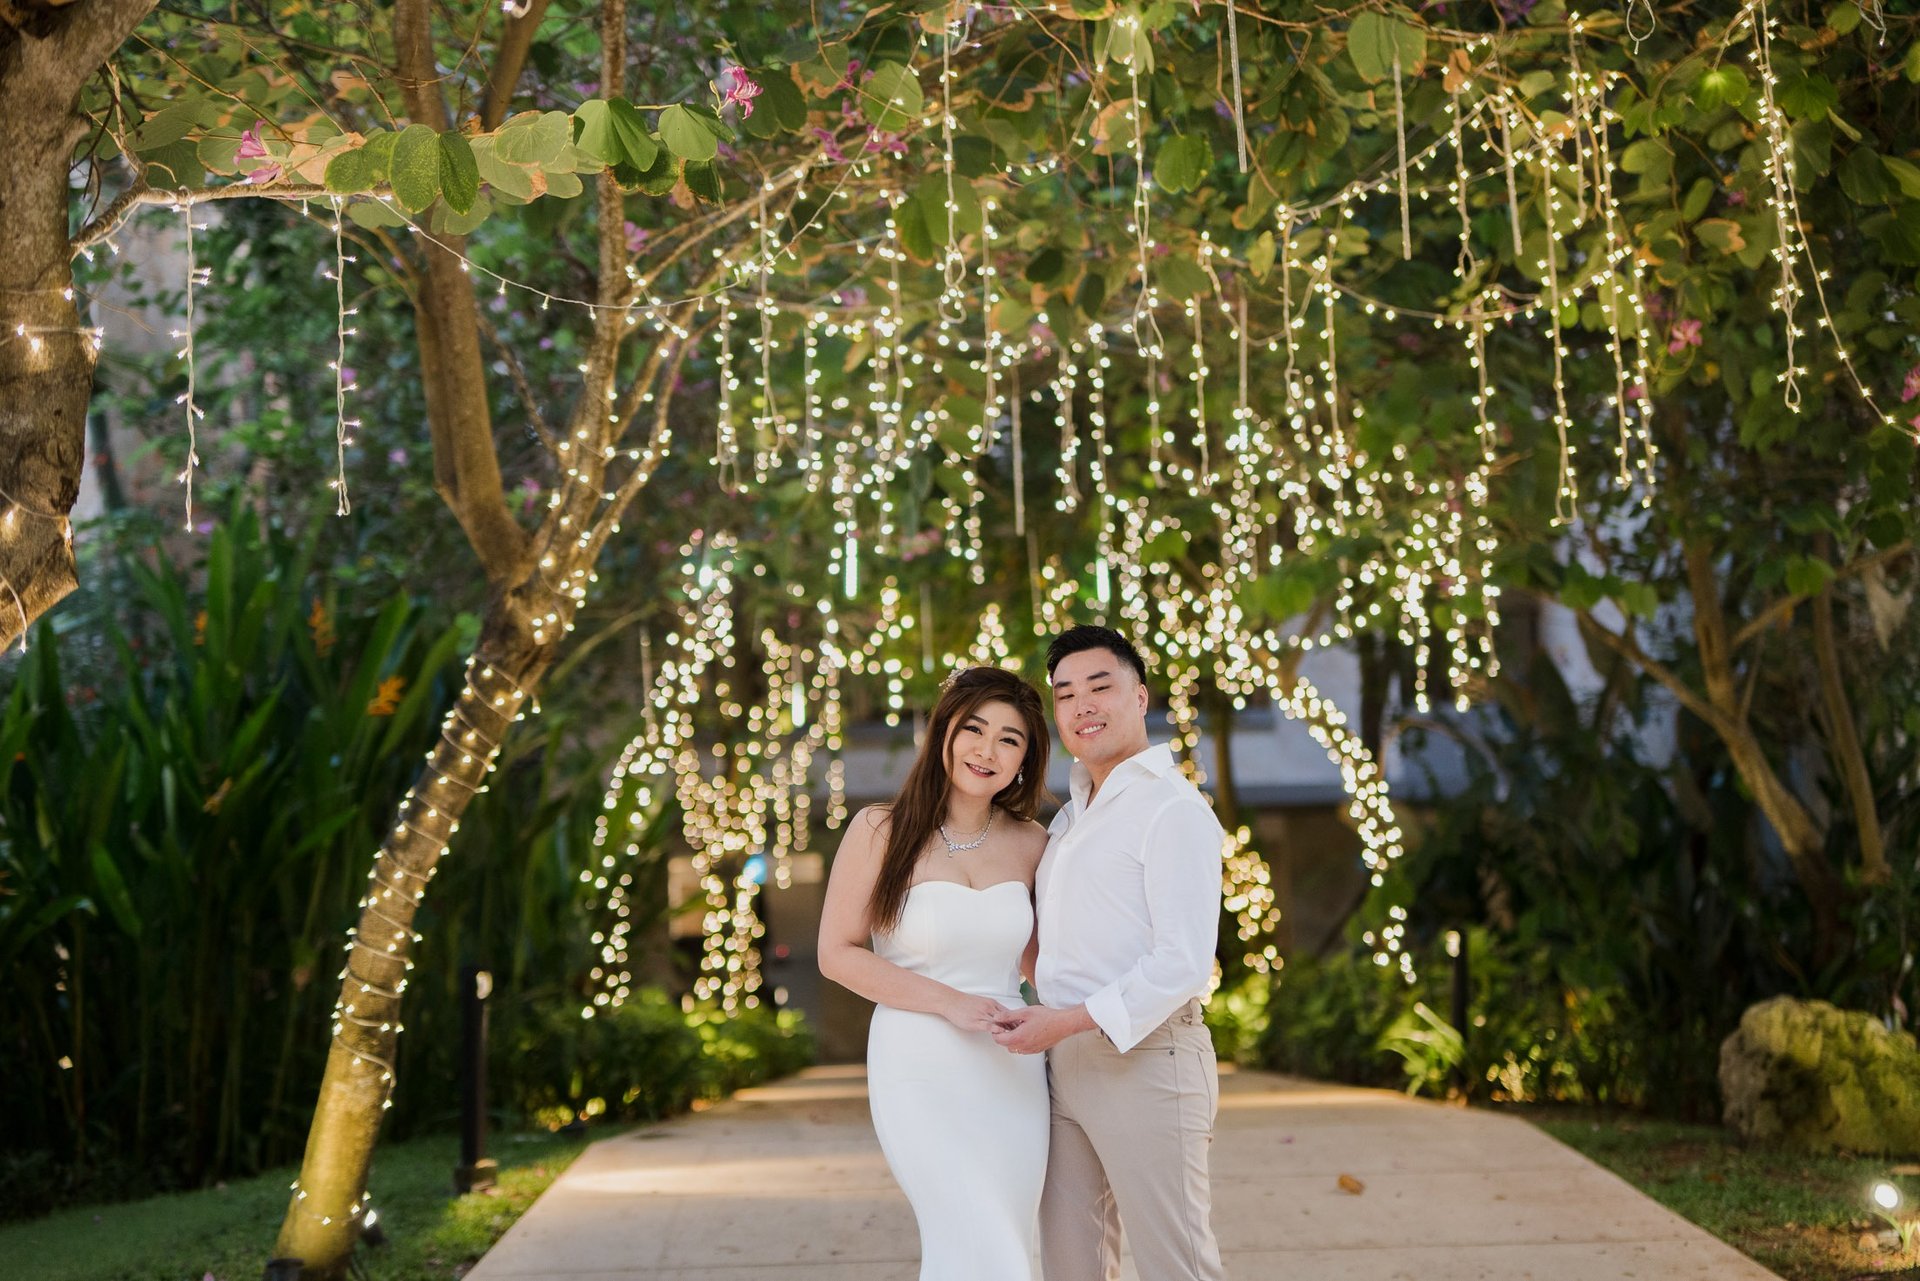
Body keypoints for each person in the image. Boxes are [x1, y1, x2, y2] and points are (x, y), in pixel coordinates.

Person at [993, 623, 1228, 1281]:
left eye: (1100, 686)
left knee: (1178, 1263)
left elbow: (1182, 962)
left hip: (1148, 1060)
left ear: (1140, 696)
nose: (1082, 705)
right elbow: (1062, 943)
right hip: (1063, 1061)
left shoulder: (1170, 808)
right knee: (1074, 1265)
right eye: (1065, 694)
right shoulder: (1070, 817)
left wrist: (1061, 1019)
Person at [817, 665, 1053, 1280]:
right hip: (917, 1061)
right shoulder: (878, 829)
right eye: (974, 729)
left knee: (1006, 1234)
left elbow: (1046, 965)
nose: (987, 750)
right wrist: (950, 1002)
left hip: (1011, 1069)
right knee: (972, 1226)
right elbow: (837, 953)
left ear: (1026, 759)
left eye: (1010, 739)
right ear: (943, 732)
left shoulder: (1033, 843)